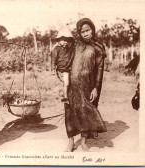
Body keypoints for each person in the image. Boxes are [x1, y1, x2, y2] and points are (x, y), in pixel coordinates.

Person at [65, 18, 107, 152]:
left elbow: (99, 69)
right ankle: (70, 142)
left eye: (88, 30)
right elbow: (63, 60)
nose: (86, 34)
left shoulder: (98, 48)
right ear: (79, 33)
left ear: (93, 30)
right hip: (72, 86)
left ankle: (83, 142)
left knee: (85, 113)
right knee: (69, 113)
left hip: (87, 86)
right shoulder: (74, 45)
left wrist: (96, 87)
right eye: (82, 32)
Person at [51, 30, 75, 103]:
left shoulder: (68, 48)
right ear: (59, 40)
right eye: (64, 40)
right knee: (66, 82)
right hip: (62, 69)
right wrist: (53, 69)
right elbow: (53, 60)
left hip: (68, 69)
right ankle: (65, 97)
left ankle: (69, 95)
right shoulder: (56, 49)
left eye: (67, 40)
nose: (65, 42)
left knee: (70, 82)